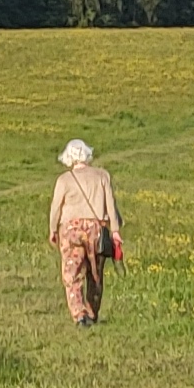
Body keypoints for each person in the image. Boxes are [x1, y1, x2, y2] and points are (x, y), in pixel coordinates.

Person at [46, 139, 122, 326]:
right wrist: (115, 230)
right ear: (87, 154)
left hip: (70, 230)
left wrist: (53, 229)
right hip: (96, 229)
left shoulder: (64, 180)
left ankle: (79, 315)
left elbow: (56, 208)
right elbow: (111, 205)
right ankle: (92, 312)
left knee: (72, 273)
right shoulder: (102, 175)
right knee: (95, 273)